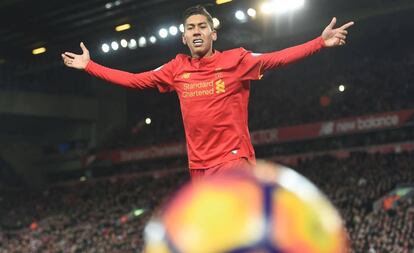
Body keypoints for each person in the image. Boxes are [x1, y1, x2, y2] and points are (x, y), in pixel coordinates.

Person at [62, 5, 354, 179]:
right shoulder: (176, 68)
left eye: (203, 26)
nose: (197, 31)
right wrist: (90, 66)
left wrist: (318, 42)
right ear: (184, 37)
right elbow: (135, 80)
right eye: (191, 27)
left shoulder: (236, 60)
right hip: (198, 165)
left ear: (213, 33)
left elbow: (275, 58)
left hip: (232, 159)